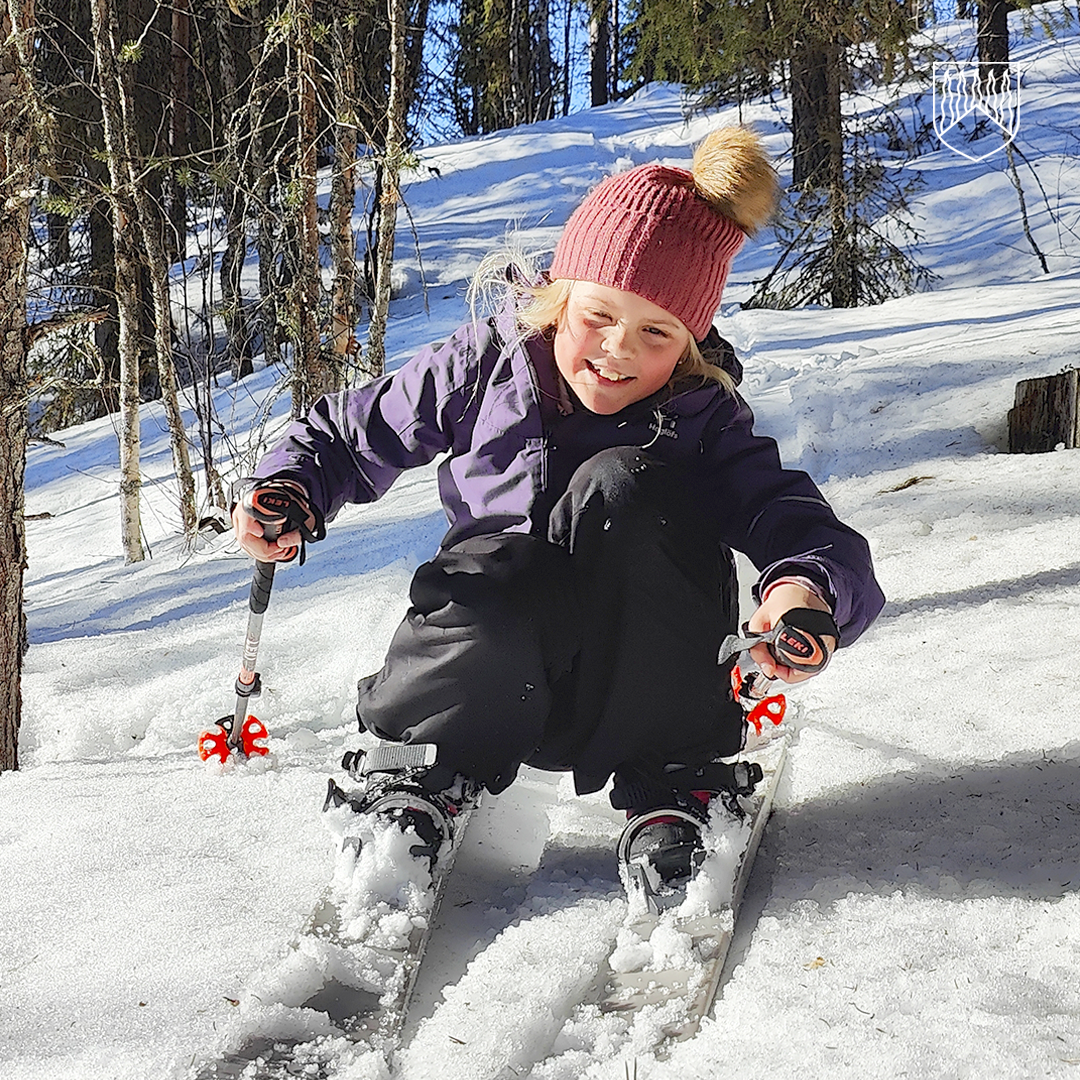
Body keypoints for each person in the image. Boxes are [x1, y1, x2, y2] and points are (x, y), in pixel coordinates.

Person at [232, 127, 885, 887]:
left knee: (624, 484)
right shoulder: (487, 363)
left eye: (655, 332)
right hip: (491, 670)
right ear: (560, 294)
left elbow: (791, 515)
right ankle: (415, 765)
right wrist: (293, 487)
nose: (618, 349)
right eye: (599, 315)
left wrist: (805, 591)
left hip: (639, 683)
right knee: (497, 566)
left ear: (689, 341)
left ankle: (679, 780)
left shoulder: (700, 414)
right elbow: (352, 434)